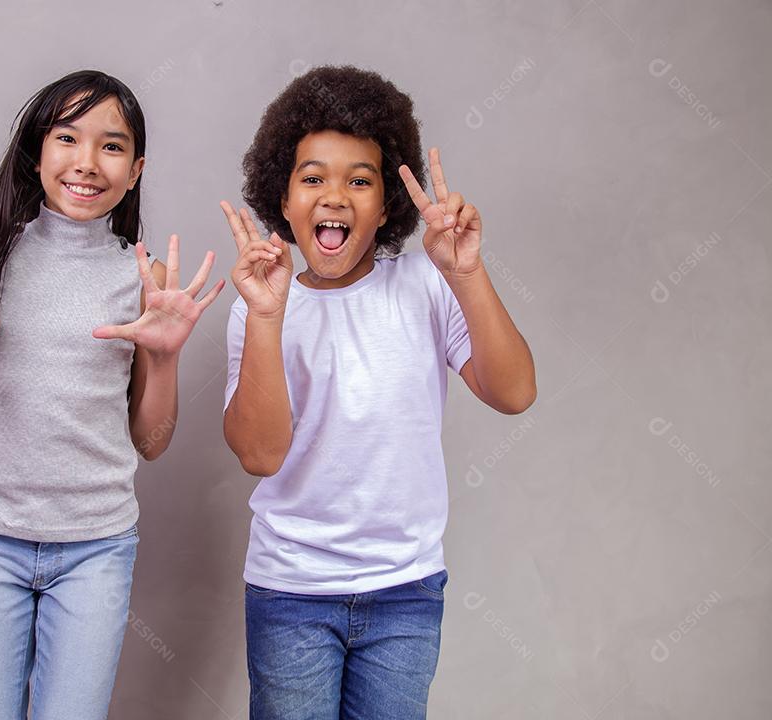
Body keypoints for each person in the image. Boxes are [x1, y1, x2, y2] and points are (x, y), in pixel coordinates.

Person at [0, 69, 224, 720]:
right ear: (37, 152)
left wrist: (165, 358)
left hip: (95, 549)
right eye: (67, 138)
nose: (88, 162)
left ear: (136, 168)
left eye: (112, 146)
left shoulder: (143, 281)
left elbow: (151, 442)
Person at [220, 64, 536, 719]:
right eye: (312, 178)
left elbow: (514, 393)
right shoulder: (259, 306)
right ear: (281, 199)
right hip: (291, 594)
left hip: (405, 591)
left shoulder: (426, 284)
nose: (334, 196)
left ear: (387, 206)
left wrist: (468, 272)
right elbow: (258, 454)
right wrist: (268, 319)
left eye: (359, 180)